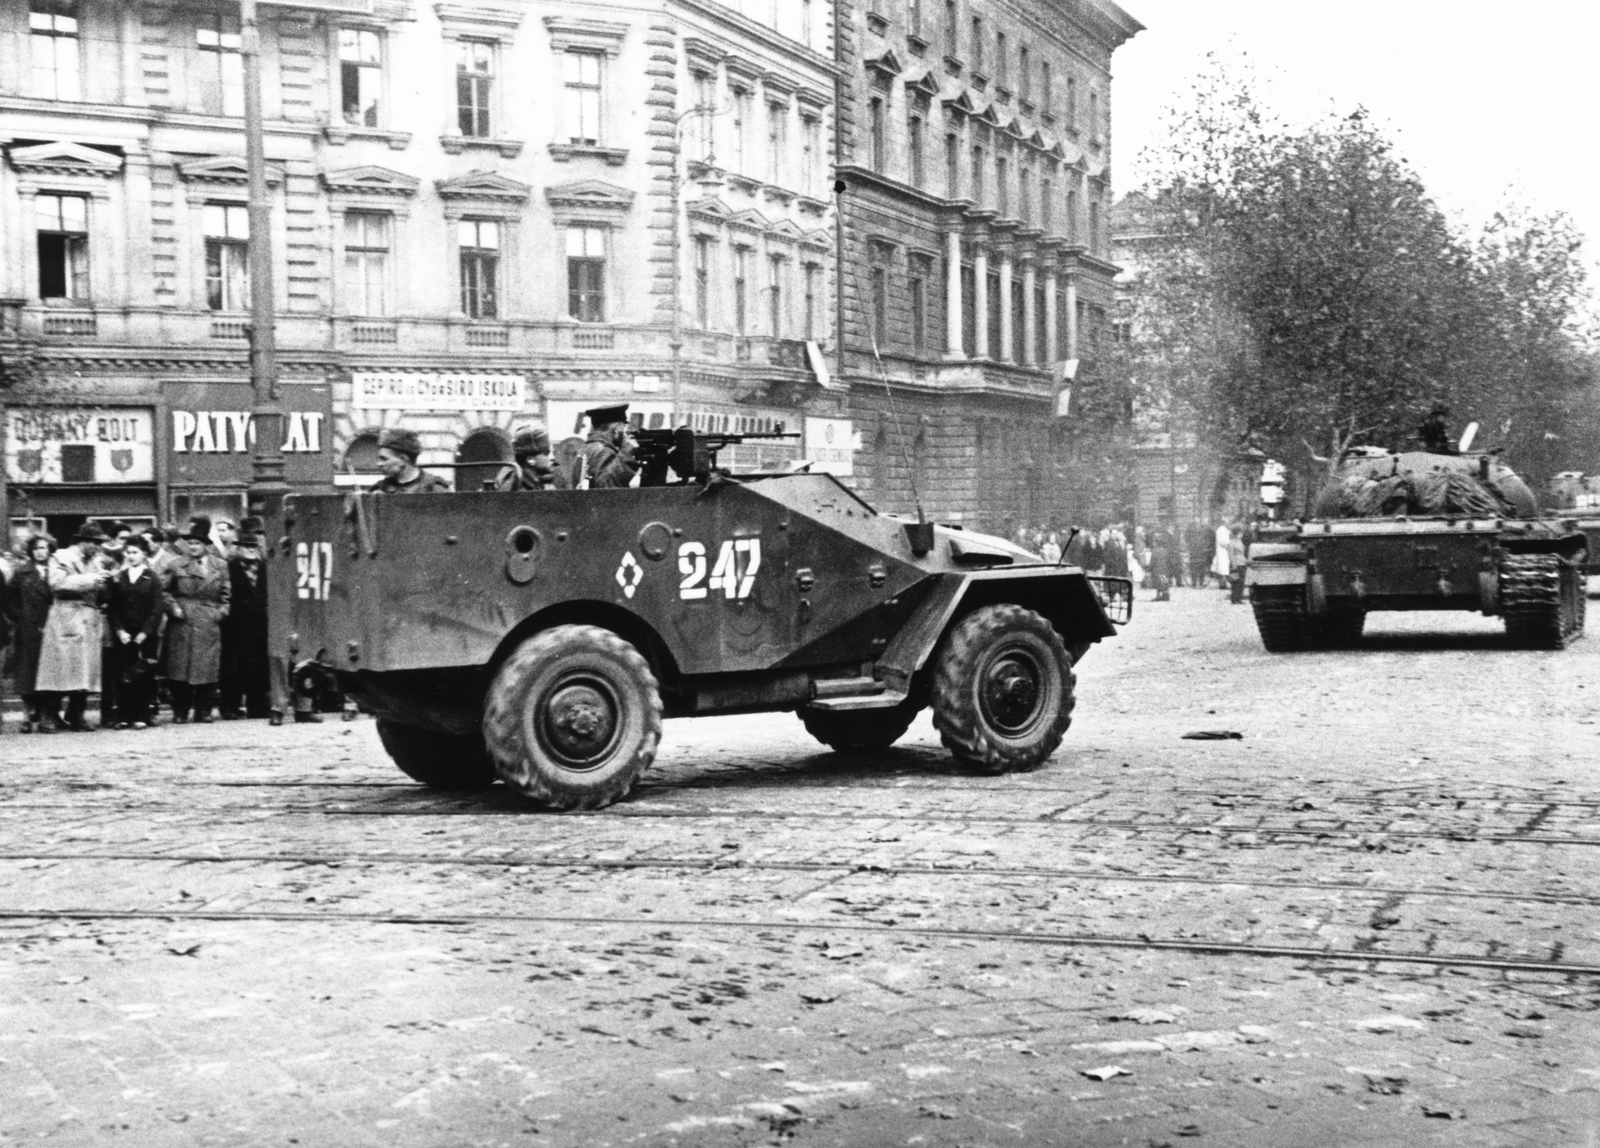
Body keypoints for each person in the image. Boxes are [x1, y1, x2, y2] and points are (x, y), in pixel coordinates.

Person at [35, 523, 112, 731]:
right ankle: (49, 715)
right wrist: (90, 579)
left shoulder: (97, 562)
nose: (98, 547)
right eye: (95, 543)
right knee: (59, 669)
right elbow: (57, 584)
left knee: (85, 670)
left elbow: (101, 590)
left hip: (89, 617)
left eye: (99, 544)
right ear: (83, 542)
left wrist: (106, 584)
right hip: (66, 616)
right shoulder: (60, 557)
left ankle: (77, 715)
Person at [162, 516, 231, 723]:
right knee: (179, 669)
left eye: (197, 543)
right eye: (190, 543)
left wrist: (221, 613)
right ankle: (180, 711)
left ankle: (204, 710)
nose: (193, 547)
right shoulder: (176, 565)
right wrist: (173, 607)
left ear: (206, 545)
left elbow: (227, 595)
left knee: (207, 669)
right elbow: (164, 591)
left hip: (208, 621)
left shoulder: (220, 565)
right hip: (182, 621)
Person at [104, 533, 164, 729]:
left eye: (135, 552)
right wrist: (119, 630)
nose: (131, 556)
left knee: (143, 674)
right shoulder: (119, 577)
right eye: (128, 552)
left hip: (145, 635)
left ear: (144, 554)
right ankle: (123, 715)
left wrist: (144, 633)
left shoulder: (152, 578)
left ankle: (141, 715)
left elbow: (157, 609)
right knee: (123, 673)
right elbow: (112, 607)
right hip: (123, 634)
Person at [219, 516, 271, 720]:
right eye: (245, 545)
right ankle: (230, 706)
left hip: (259, 624)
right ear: (238, 547)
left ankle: (257, 706)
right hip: (235, 626)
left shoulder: (266, 568)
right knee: (233, 668)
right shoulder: (229, 567)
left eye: (253, 546)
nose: (250, 549)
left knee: (258, 666)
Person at [6, 535, 57, 732]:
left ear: (50, 550)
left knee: (49, 673)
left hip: (52, 627)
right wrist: (20, 616)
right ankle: (27, 717)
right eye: (36, 548)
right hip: (28, 630)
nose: (40, 552)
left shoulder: (57, 571)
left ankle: (46, 716)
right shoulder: (22, 572)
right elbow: (9, 599)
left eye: (44, 548)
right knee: (27, 675)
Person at [568, 404, 638, 489]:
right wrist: (626, 453)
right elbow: (607, 487)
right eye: (623, 427)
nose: (624, 432)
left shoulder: (587, 448)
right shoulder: (603, 451)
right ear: (616, 428)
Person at [371, 427, 452, 494]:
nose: (379, 464)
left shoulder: (435, 489)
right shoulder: (379, 490)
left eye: (384, 459)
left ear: (403, 459)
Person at [494, 425, 556, 492]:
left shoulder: (532, 480)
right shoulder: (515, 484)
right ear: (530, 460)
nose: (552, 457)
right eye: (546, 453)